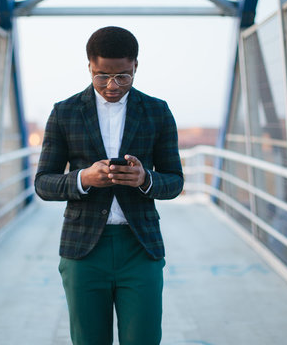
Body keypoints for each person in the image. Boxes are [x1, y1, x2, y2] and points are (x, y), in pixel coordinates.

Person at [34, 26, 183, 345]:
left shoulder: (158, 111)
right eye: (101, 76)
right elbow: (43, 183)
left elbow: (175, 181)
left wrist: (145, 180)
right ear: (89, 66)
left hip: (140, 247)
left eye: (123, 76)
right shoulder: (65, 112)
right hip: (83, 250)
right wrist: (82, 179)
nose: (112, 85)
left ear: (135, 67)